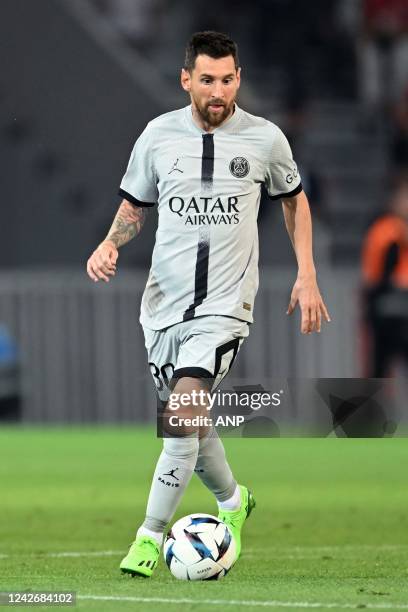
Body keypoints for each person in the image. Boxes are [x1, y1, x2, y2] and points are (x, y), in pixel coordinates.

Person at [86, 31, 330, 578]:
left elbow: (295, 202)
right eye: (207, 81)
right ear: (186, 80)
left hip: (224, 307)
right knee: (190, 423)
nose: (218, 92)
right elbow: (135, 204)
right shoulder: (157, 136)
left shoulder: (265, 139)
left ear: (238, 78)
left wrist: (307, 274)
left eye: (227, 80)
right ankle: (234, 500)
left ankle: (149, 538)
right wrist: (109, 242)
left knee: (182, 411)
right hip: (162, 307)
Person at [362, 178, 408, 377]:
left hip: (387, 304)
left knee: (379, 366)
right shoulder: (390, 231)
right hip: (391, 305)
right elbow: (384, 274)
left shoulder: (390, 229)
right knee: (379, 365)